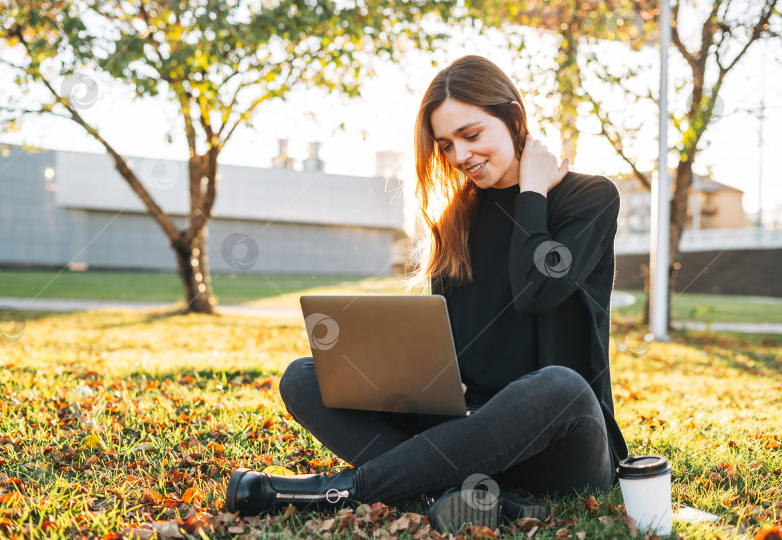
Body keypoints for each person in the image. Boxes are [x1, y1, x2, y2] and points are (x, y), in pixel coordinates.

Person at [224, 55, 628, 532]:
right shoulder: (456, 219)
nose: (459, 157)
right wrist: (428, 382)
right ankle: (461, 493)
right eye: (446, 146)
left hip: (560, 443)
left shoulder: (590, 198)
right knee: (303, 377)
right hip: (461, 434)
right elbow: (449, 337)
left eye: (471, 136)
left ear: (513, 118)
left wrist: (533, 192)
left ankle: (343, 489)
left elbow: (537, 291)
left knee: (560, 385)